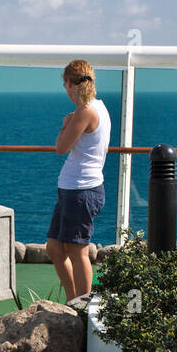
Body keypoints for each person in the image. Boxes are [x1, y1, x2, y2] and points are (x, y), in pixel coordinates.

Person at [46, 59, 110, 302]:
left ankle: (82, 306)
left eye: (65, 84)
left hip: (82, 190)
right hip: (73, 189)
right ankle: (74, 302)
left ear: (72, 84)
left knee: (77, 250)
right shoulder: (99, 108)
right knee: (54, 248)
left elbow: (61, 148)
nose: (66, 90)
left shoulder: (84, 112)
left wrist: (65, 125)